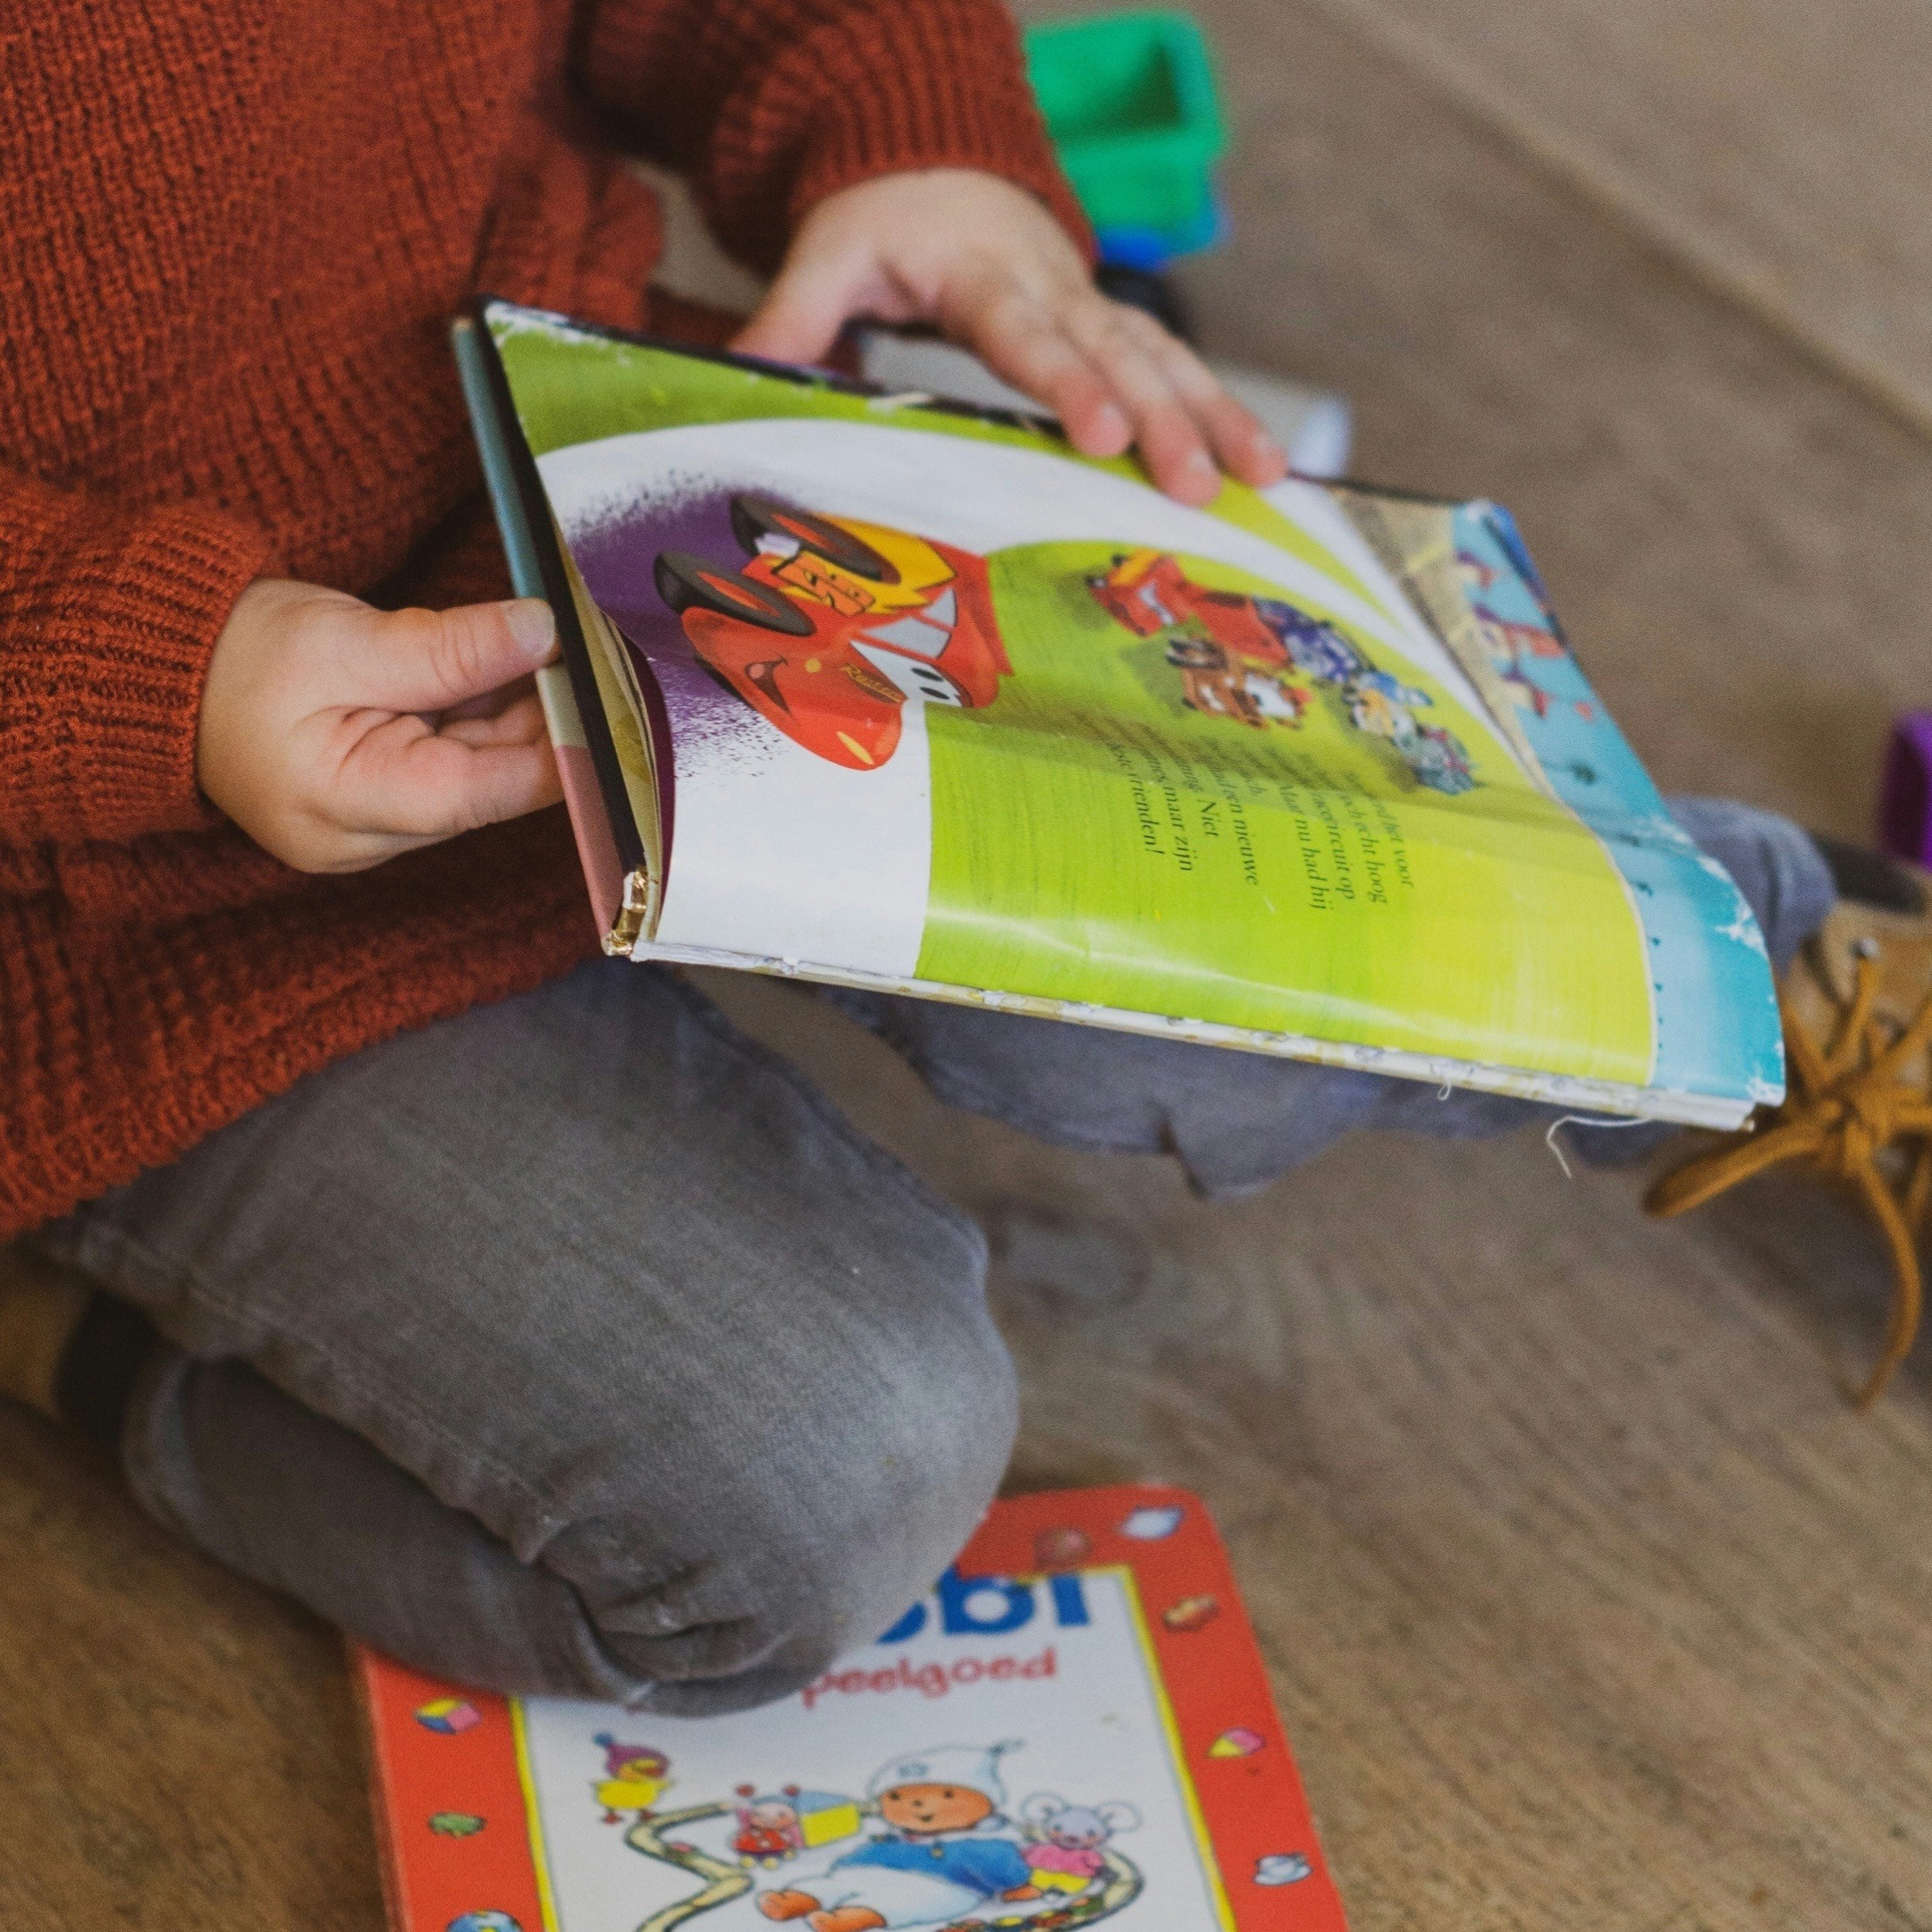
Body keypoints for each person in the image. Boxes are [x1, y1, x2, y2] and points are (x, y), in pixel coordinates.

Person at [0, 0, 1919, 1715]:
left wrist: (895, 116)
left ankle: (1759, 943)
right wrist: (143, 678)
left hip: (559, 461)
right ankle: (80, 1337)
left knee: (1217, 951)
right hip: (95, 900)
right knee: (816, 1486)